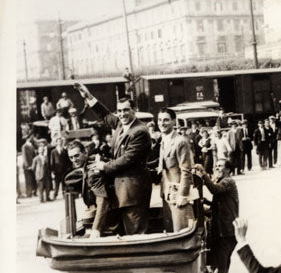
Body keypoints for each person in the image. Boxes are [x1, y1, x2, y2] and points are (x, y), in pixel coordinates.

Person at [79, 85, 153, 235]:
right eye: (119, 111)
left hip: (134, 191)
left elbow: (128, 159)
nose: (122, 114)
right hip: (123, 190)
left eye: (126, 110)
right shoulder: (121, 124)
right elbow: (105, 115)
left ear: (134, 110)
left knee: (136, 234)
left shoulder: (139, 131)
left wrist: (104, 166)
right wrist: (89, 96)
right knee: (127, 233)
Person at [193, 159, 239, 273]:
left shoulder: (228, 182)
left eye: (220, 166)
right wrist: (203, 204)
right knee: (223, 267)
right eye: (216, 166)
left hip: (227, 233)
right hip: (225, 231)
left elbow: (214, 190)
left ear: (228, 170)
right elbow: (216, 205)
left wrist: (203, 174)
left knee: (222, 268)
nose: (217, 168)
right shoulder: (224, 182)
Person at [157, 108, 195, 232]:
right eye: (160, 120)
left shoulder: (180, 142)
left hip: (178, 195)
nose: (162, 123)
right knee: (170, 231)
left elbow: (186, 171)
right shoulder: (163, 140)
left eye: (166, 120)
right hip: (167, 193)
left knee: (181, 232)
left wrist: (183, 195)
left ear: (174, 121)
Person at [66, 140, 112, 237]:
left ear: (85, 152)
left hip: (110, 217)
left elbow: (102, 201)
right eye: (71, 157)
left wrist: (96, 229)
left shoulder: (93, 172)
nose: (74, 160)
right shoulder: (87, 164)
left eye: (77, 155)